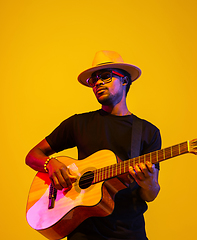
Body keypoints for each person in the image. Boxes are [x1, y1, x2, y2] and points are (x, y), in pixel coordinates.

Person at [26, 50, 162, 240]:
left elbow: (150, 195)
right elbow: (33, 155)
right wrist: (51, 164)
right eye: (94, 80)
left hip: (129, 233)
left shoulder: (147, 132)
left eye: (105, 77)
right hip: (83, 233)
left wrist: (150, 183)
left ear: (124, 80)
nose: (97, 83)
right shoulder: (78, 123)